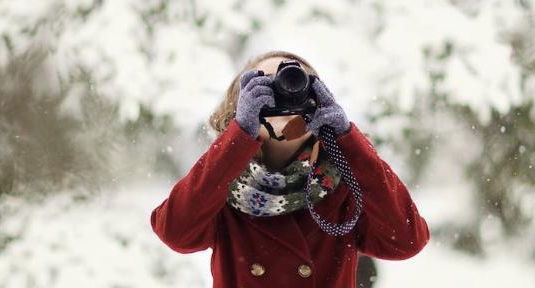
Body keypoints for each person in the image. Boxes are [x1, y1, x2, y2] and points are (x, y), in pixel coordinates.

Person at [150, 50, 430, 288]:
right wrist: (238, 138)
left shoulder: (344, 183)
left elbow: (407, 241)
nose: (284, 92)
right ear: (239, 104)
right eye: (265, 87)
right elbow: (175, 232)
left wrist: (347, 139)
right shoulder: (219, 182)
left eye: (298, 82)